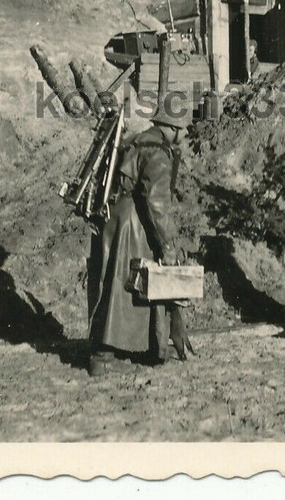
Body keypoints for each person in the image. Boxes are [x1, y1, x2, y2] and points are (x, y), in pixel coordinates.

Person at [86, 110, 189, 376]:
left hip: (114, 218)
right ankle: (104, 358)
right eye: (184, 128)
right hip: (132, 224)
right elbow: (157, 203)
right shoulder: (158, 153)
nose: (186, 134)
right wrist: (168, 246)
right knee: (120, 290)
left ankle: (110, 351)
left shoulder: (136, 140)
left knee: (112, 284)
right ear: (173, 128)